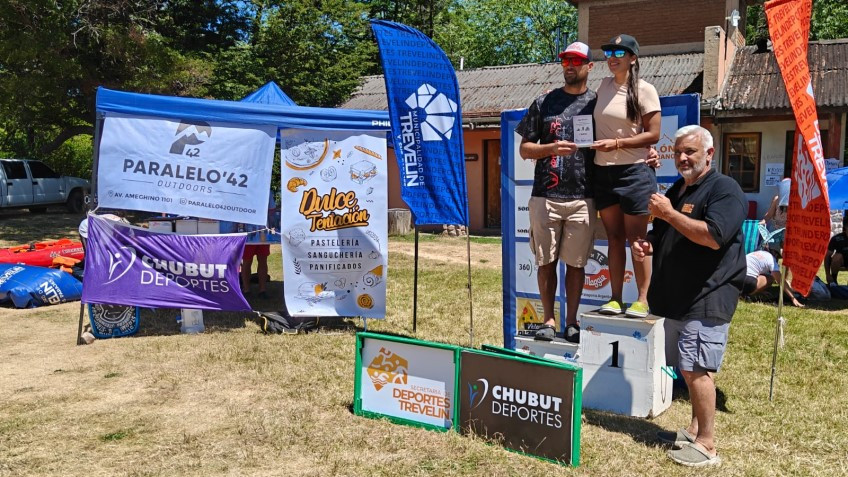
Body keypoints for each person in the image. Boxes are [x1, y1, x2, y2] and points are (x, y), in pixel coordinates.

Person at [631, 125, 746, 467]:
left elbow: (713, 236)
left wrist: (667, 212)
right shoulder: (679, 189)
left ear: (709, 154)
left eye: (690, 152)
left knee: (697, 369)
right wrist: (648, 243)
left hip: (709, 293)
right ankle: (694, 432)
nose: (682, 157)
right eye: (678, 151)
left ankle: (708, 445)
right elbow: (667, 230)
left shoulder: (725, 190)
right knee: (686, 365)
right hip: (679, 296)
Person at [515, 41, 597, 343]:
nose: (570, 66)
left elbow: (617, 138)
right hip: (545, 197)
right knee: (545, 262)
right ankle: (548, 319)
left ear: (589, 66)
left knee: (576, 265)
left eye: (576, 61)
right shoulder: (543, 102)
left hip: (583, 197)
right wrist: (550, 148)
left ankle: (572, 322)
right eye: (566, 61)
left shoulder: (597, 103)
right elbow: (524, 149)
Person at [592, 34, 661, 318]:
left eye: (620, 52)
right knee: (613, 237)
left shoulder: (645, 90)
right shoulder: (602, 86)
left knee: (637, 239)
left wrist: (618, 144)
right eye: (609, 51)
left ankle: (643, 300)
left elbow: (654, 134)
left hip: (634, 172)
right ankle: (615, 299)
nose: (612, 56)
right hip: (602, 171)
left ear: (633, 58)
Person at [240, 192, 277, 299]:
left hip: (262, 231)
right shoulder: (245, 186)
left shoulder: (267, 189)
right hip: (247, 231)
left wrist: (273, 226)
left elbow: (272, 209)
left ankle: (262, 290)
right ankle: (247, 290)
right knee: (247, 261)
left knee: (262, 259)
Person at [825, 212, 848, 286]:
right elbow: (827, 256)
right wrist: (828, 275)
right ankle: (834, 280)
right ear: (846, 227)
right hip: (841, 261)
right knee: (837, 256)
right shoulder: (836, 238)